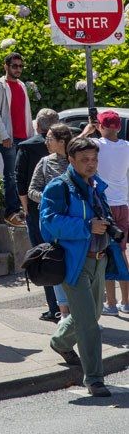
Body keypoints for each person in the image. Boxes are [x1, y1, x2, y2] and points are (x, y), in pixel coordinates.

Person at [41, 136, 129, 397]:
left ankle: (59, 341)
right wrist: (86, 226)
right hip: (74, 263)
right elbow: (47, 223)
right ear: (71, 160)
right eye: (84, 160)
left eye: (94, 159)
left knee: (92, 315)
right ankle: (94, 379)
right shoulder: (58, 187)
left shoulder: (96, 185)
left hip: (100, 259)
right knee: (89, 323)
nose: (91, 165)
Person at [79, 111, 129, 315]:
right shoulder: (127, 147)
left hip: (103, 205)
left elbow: (73, 148)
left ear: (100, 126)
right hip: (123, 205)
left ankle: (111, 302)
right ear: (118, 127)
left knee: (105, 254)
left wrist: (86, 131)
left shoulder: (96, 146)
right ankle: (126, 301)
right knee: (121, 251)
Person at [15, 109, 61, 321]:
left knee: (44, 257)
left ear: (37, 126)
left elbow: (21, 183)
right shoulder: (67, 146)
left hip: (36, 210)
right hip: (61, 212)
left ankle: (54, 306)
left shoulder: (26, 147)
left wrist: (26, 210)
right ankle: (66, 305)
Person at [28, 122, 73, 321]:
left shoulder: (76, 160)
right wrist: (49, 199)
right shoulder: (45, 162)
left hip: (75, 220)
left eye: (50, 139)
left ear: (62, 141)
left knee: (79, 265)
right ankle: (63, 312)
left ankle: (83, 313)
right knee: (58, 264)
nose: (46, 141)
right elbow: (31, 191)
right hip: (53, 222)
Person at [0, 52, 34, 227]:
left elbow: (25, 113)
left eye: (20, 66)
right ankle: (11, 212)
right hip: (9, 138)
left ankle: (21, 210)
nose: (18, 69)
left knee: (21, 175)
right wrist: (4, 136)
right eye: (14, 66)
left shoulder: (22, 85)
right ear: (6, 66)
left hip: (24, 137)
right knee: (10, 175)